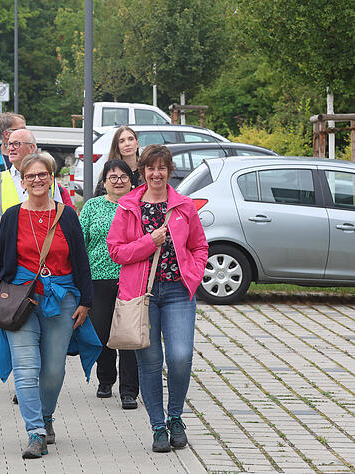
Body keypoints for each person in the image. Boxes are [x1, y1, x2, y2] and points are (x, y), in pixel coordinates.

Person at [0, 152, 93, 459]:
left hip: (61, 299)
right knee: (26, 370)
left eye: (43, 175)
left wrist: (86, 302)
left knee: (53, 369)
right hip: (20, 302)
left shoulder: (66, 215)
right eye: (31, 176)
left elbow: (81, 261)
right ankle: (35, 432)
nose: (37, 180)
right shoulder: (12, 216)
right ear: (23, 181)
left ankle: (47, 416)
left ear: (52, 179)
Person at [107, 144, 208, 453]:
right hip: (142, 295)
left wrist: (193, 272)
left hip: (178, 291)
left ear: (169, 171)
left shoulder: (183, 206)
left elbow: (200, 246)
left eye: (162, 168)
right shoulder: (128, 206)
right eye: (151, 168)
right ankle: (158, 427)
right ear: (143, 171)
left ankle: (175, 416)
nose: (156, 173)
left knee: (180, 356)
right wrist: (149, 242)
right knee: (150, 363)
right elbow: (117, 251)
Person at [79, 160, 140, 410]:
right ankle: (105, 380)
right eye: (112, 177)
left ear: (131, 181)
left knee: (128, 335)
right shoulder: (93, 206)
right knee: (101, 333)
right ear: (104, 183)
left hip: (130, 278)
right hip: (98, 278)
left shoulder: (138, 206)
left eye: (123, 176)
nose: (118, 181)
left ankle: (129, 390)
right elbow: (80, 242)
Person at [0, 129, 68, 238]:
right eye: (9, 144)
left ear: (31, 148)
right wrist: (7, 221)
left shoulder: (47, 178)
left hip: (43, 249)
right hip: (9, 249)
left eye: (16, 144)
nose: (11, 148)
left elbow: (60, 214)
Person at [96, 126, 142, 196]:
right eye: (122, 141)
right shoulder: (109, 172)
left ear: (137, 143)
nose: (127, 144)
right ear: (117, 146)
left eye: (130, 139)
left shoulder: (147, 170)